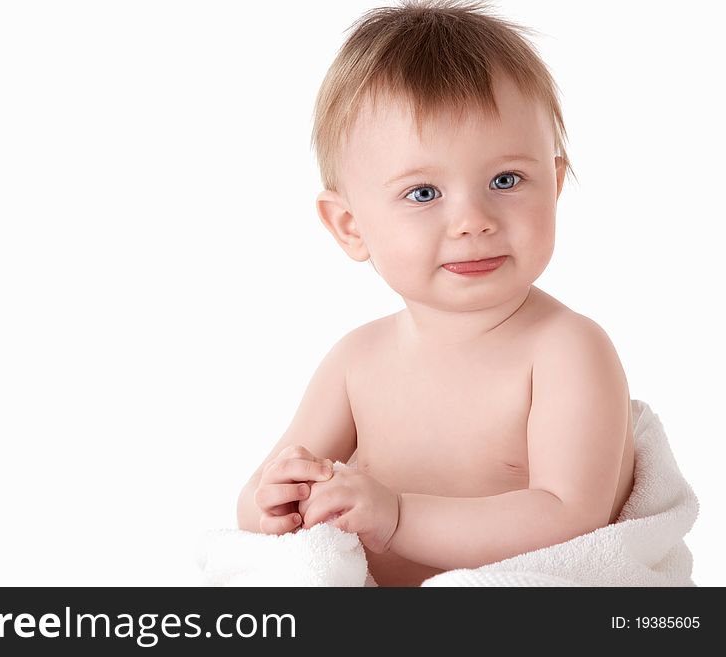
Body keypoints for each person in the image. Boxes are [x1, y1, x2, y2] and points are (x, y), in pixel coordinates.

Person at [236, 0, 635, 587]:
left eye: (506, 180)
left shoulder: (566, 350)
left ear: (553, 185)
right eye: (423, 193)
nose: (472, 221)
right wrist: (273, 505)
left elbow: (571, 517)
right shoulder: (355, 362)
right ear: (350, 226)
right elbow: (255, 501)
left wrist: (398, 518)